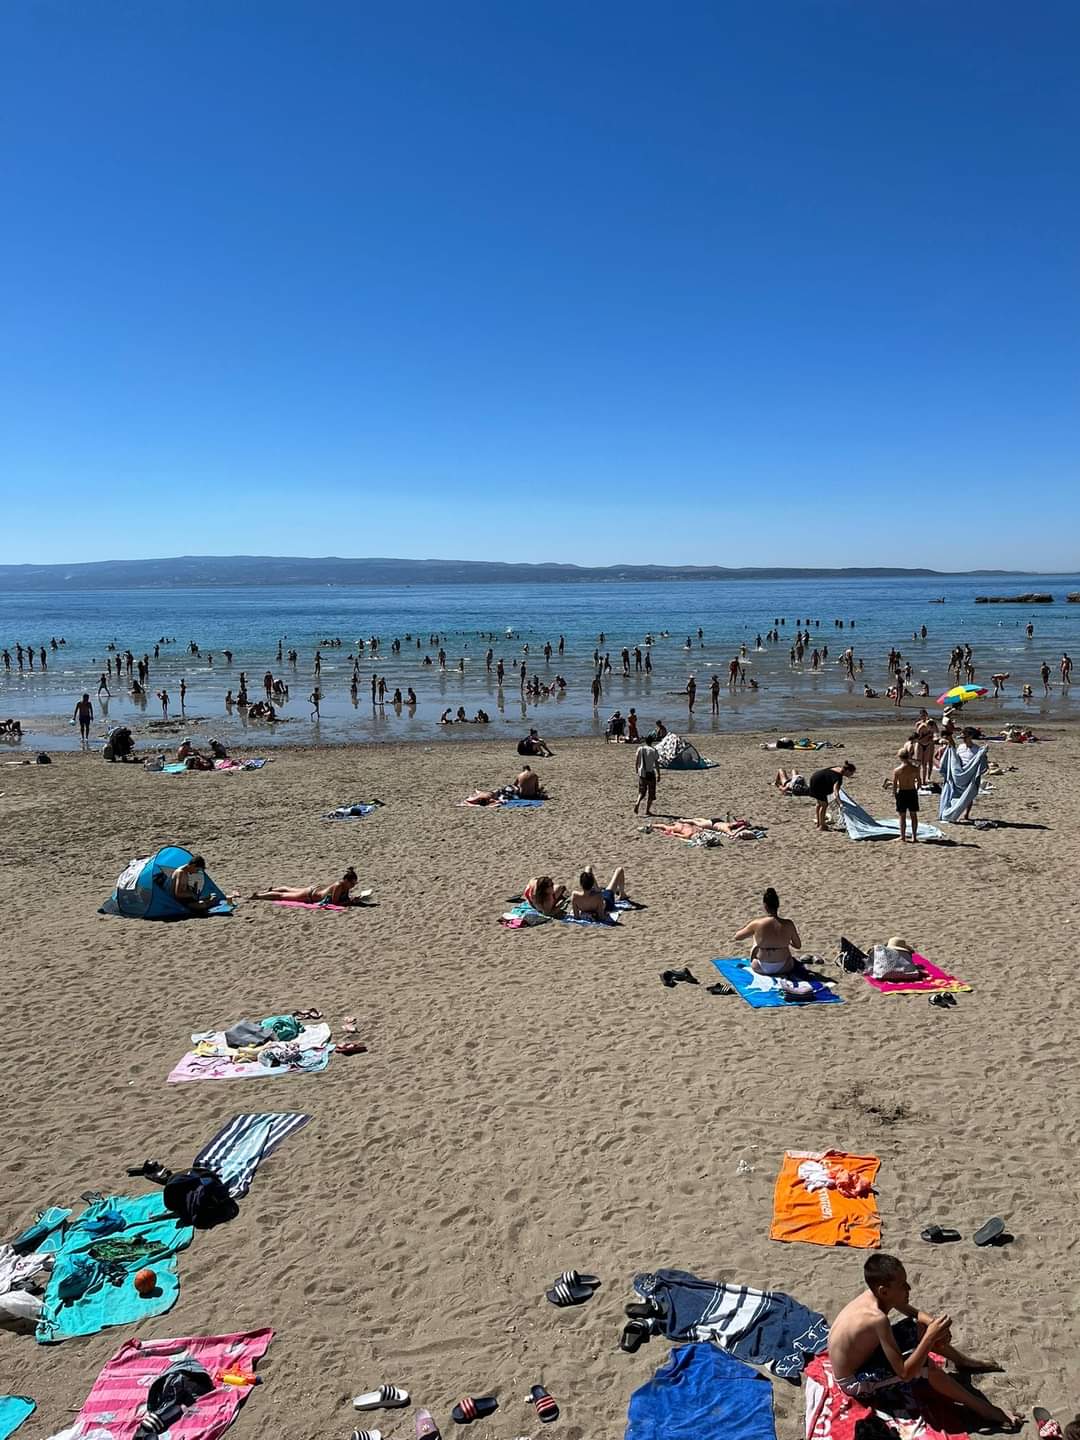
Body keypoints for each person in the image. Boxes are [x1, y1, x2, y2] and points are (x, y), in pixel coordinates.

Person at [828, 1253, 1020, 1428]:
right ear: (884, 1291)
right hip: (854, 1381)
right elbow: (904, 1373)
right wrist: (930, 1337)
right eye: (902, 1285)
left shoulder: (874, 1295)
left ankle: (962, 1361)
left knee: (920, 1327)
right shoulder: (876, 1318)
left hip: (863, 1356)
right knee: (926, 1365)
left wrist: (934, 1325)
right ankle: (983, 1409)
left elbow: (912, 1312)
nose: (908, 1288)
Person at [734, 887, 801, 975]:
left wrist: (754, 932)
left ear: (765, 906)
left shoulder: (757, 923)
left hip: (760, 966)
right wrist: (787, 942)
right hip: (784, 966)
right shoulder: (788, 924)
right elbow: (798, 945)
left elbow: (737, 937)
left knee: (756, 936)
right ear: (778, 905)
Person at [249, 866, 364, 906]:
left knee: (290, 890)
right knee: (283, 896)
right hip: (310, 895)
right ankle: (258, 895)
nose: (353, 886)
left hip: (314, 890)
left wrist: (353, 899)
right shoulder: (339, 885)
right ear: (346, 881)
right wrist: (351, 902)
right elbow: (335, 902)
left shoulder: (344, 886)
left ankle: (273, 889)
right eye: (352, 883)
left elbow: (341, 898)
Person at [809, 761, 856, 831]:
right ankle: (822, 826)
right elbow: (836, 792)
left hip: (815, 779)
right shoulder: (838, 778)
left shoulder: (838, 768)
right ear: (847, 771)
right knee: (824, 805)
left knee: (819, 803)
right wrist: (840, 804)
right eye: (851, 773)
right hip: (818, 785)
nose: (852, 775)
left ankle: (819, 823)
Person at [892, 745, 921, 843]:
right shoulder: (915, 769)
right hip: (912, 792)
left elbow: (895, 785)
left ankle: (903, 836)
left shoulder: (897, 770)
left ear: (900, 757)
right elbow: (919, 782)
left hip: (902, 792)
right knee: (913, 815)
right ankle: (914, 837)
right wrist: (915, 789)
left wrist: (894, 794)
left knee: (902, 816)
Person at [634, 736, 660, 816]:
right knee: (651, 793)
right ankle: (647, 810)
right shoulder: (653, 750)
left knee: (642, 791)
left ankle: (637, 802)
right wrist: (658, 774)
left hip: (642, 773)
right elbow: (656, 763)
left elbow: (637, 760)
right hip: (650, 773)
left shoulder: (640, 749)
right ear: (652, 742)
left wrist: (636, 769)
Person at [913, 709, 937, 786]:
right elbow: (917, 738)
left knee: (925, 763)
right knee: (918, 763)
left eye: (925, 715)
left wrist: (933, 727)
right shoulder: (920, 726)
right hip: (920, 744)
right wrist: (927, 736)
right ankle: (918, 779)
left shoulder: (932, 723)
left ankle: (924, 780)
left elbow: (936, 732)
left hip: (928, 745)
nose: (923, 716)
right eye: (922, 715)